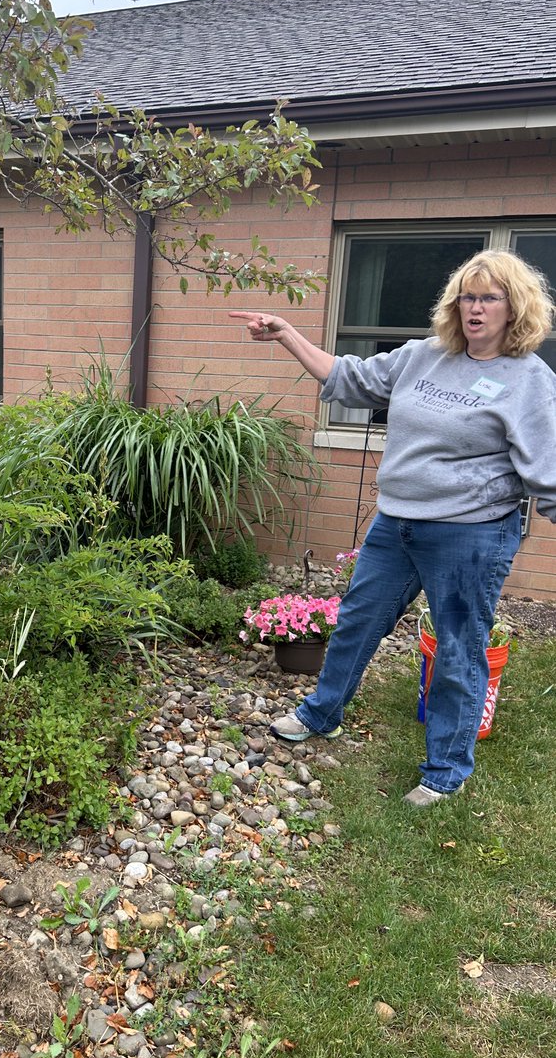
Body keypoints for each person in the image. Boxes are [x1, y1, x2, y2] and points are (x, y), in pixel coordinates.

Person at [229, 249, 556, 807]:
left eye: (489, 298)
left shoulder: (529, 381)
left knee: (457, 648)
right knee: (357, 620)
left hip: (469, 535)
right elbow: (348, 378)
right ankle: (321, 714)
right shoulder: (425, 355)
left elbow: (548, 470)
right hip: (397, 523)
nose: (474, 309)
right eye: (467, 297)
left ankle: (446, 770)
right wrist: (287, 334)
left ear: (514, 307)